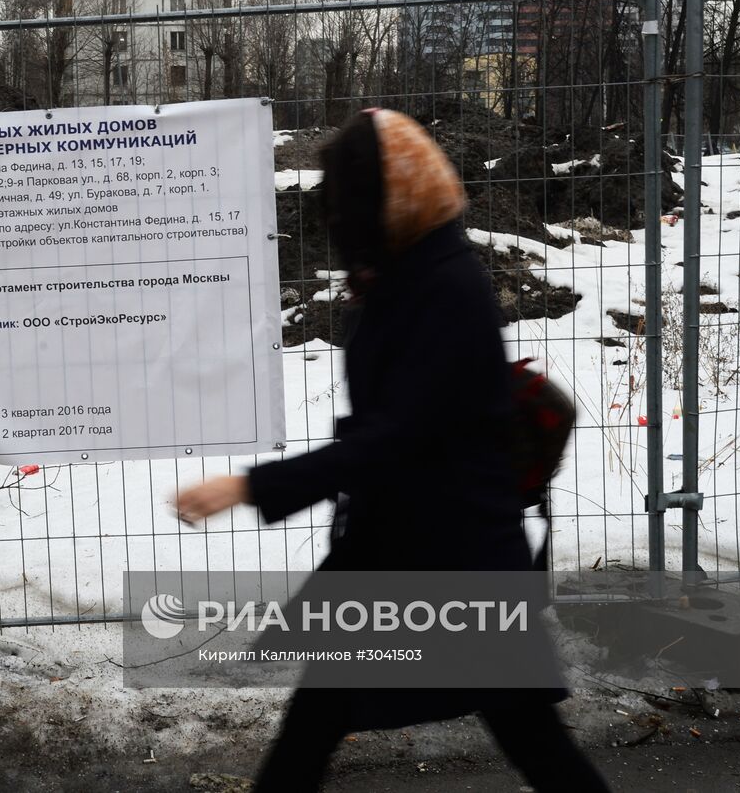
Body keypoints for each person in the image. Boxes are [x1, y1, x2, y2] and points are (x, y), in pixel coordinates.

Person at [173, 108, 611, 792]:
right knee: (317, 719)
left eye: (350, 193)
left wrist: (252, 487)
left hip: (452, 559)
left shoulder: (446, 287)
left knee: (531, 738)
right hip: (409, 551)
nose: (337, 212)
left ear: (389, 195)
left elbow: (400, 439)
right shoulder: (401, 273)